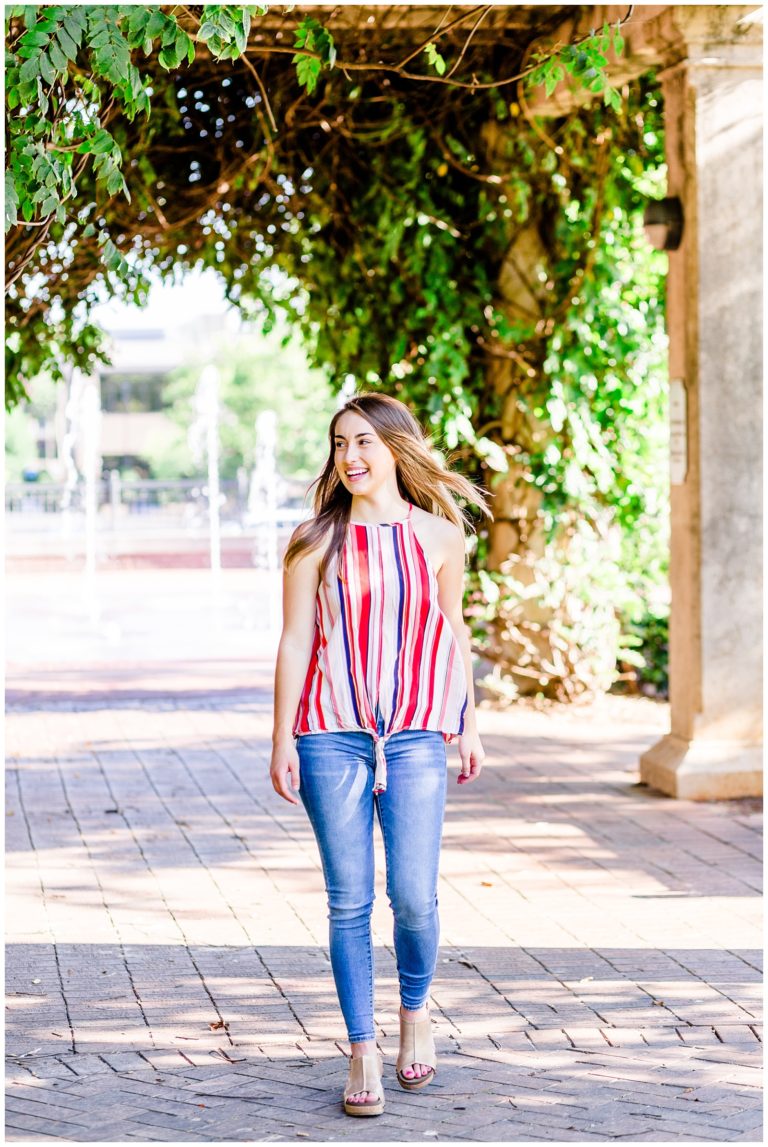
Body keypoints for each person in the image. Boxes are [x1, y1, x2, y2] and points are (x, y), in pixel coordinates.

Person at [269, 392, 491, 1117]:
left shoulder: (439, 536)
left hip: (419, 733)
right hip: (329, 733)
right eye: (339, 444)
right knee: (348, 900)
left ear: (397, 447)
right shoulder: (313, 540)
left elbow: (452, 629)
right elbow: (296, 640)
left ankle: (417, 1011)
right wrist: (281, 737)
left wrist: (470, 721)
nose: (351, 456)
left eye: (364, 441)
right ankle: (362, 1046)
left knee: (414, 897)